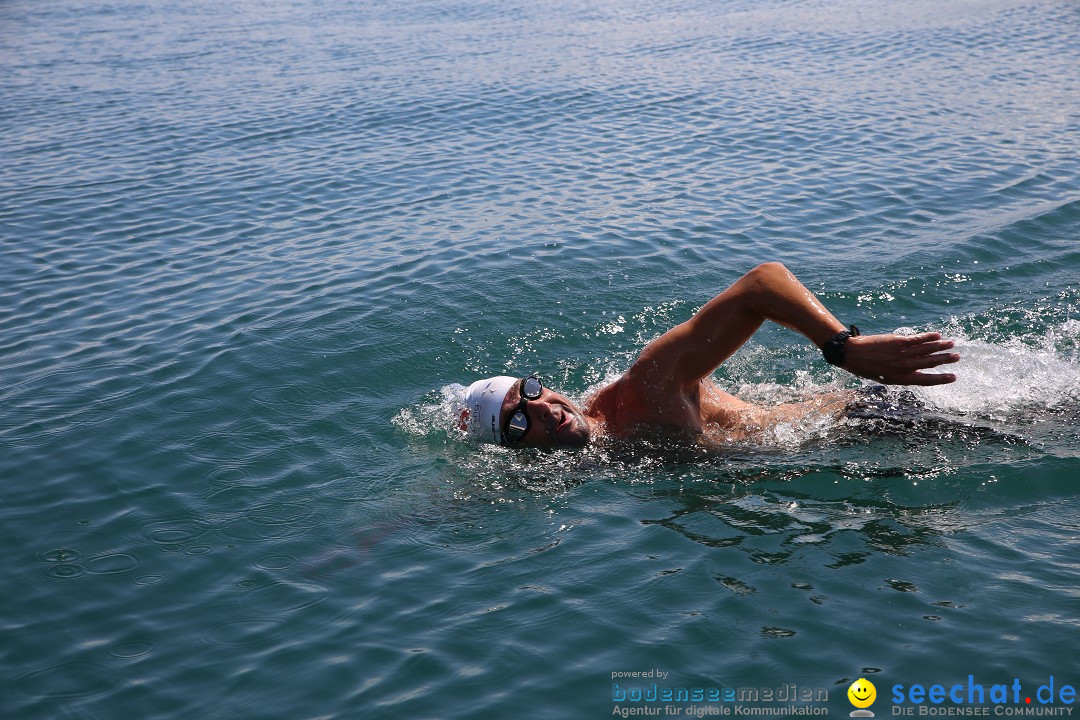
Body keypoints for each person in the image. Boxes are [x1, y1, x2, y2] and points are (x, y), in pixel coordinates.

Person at [459, 262, 960, 449]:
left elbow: (761, 285)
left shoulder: (642, 391)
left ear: (542, 382)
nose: (542, 410)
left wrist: (843, 348)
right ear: (515, 452)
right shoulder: (604, 451)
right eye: (520, 423)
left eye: (529, 392)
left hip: (876, 420)